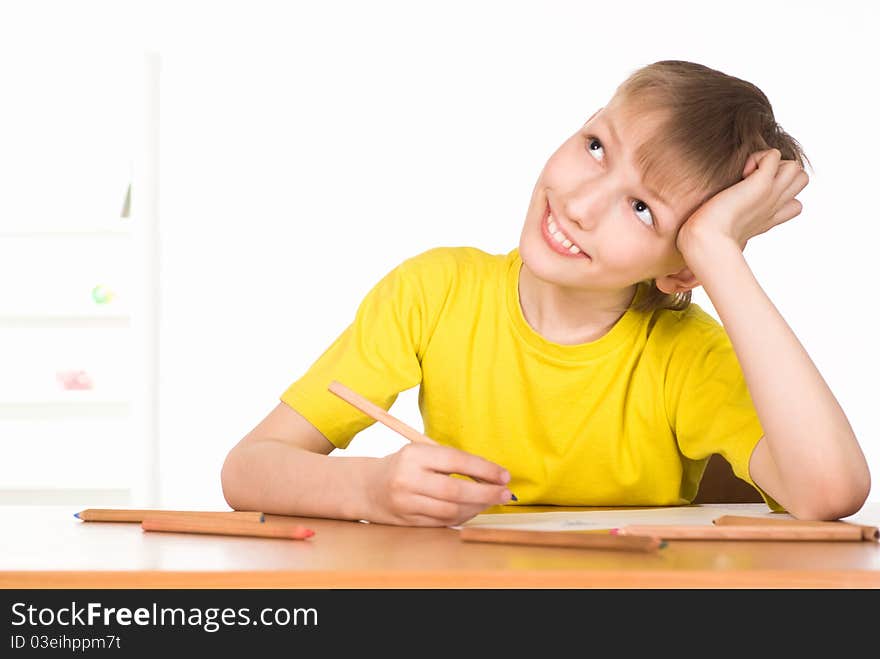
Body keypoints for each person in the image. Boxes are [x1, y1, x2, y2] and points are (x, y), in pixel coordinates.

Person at [221, 60, 870, 526]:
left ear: (681, 269)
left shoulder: (685, 355)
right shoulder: (435, 291)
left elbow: (831, 490)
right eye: (595, 145)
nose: (582, 204)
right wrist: (368, 489)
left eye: (643, 209)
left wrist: (718, 253)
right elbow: (247, 468)